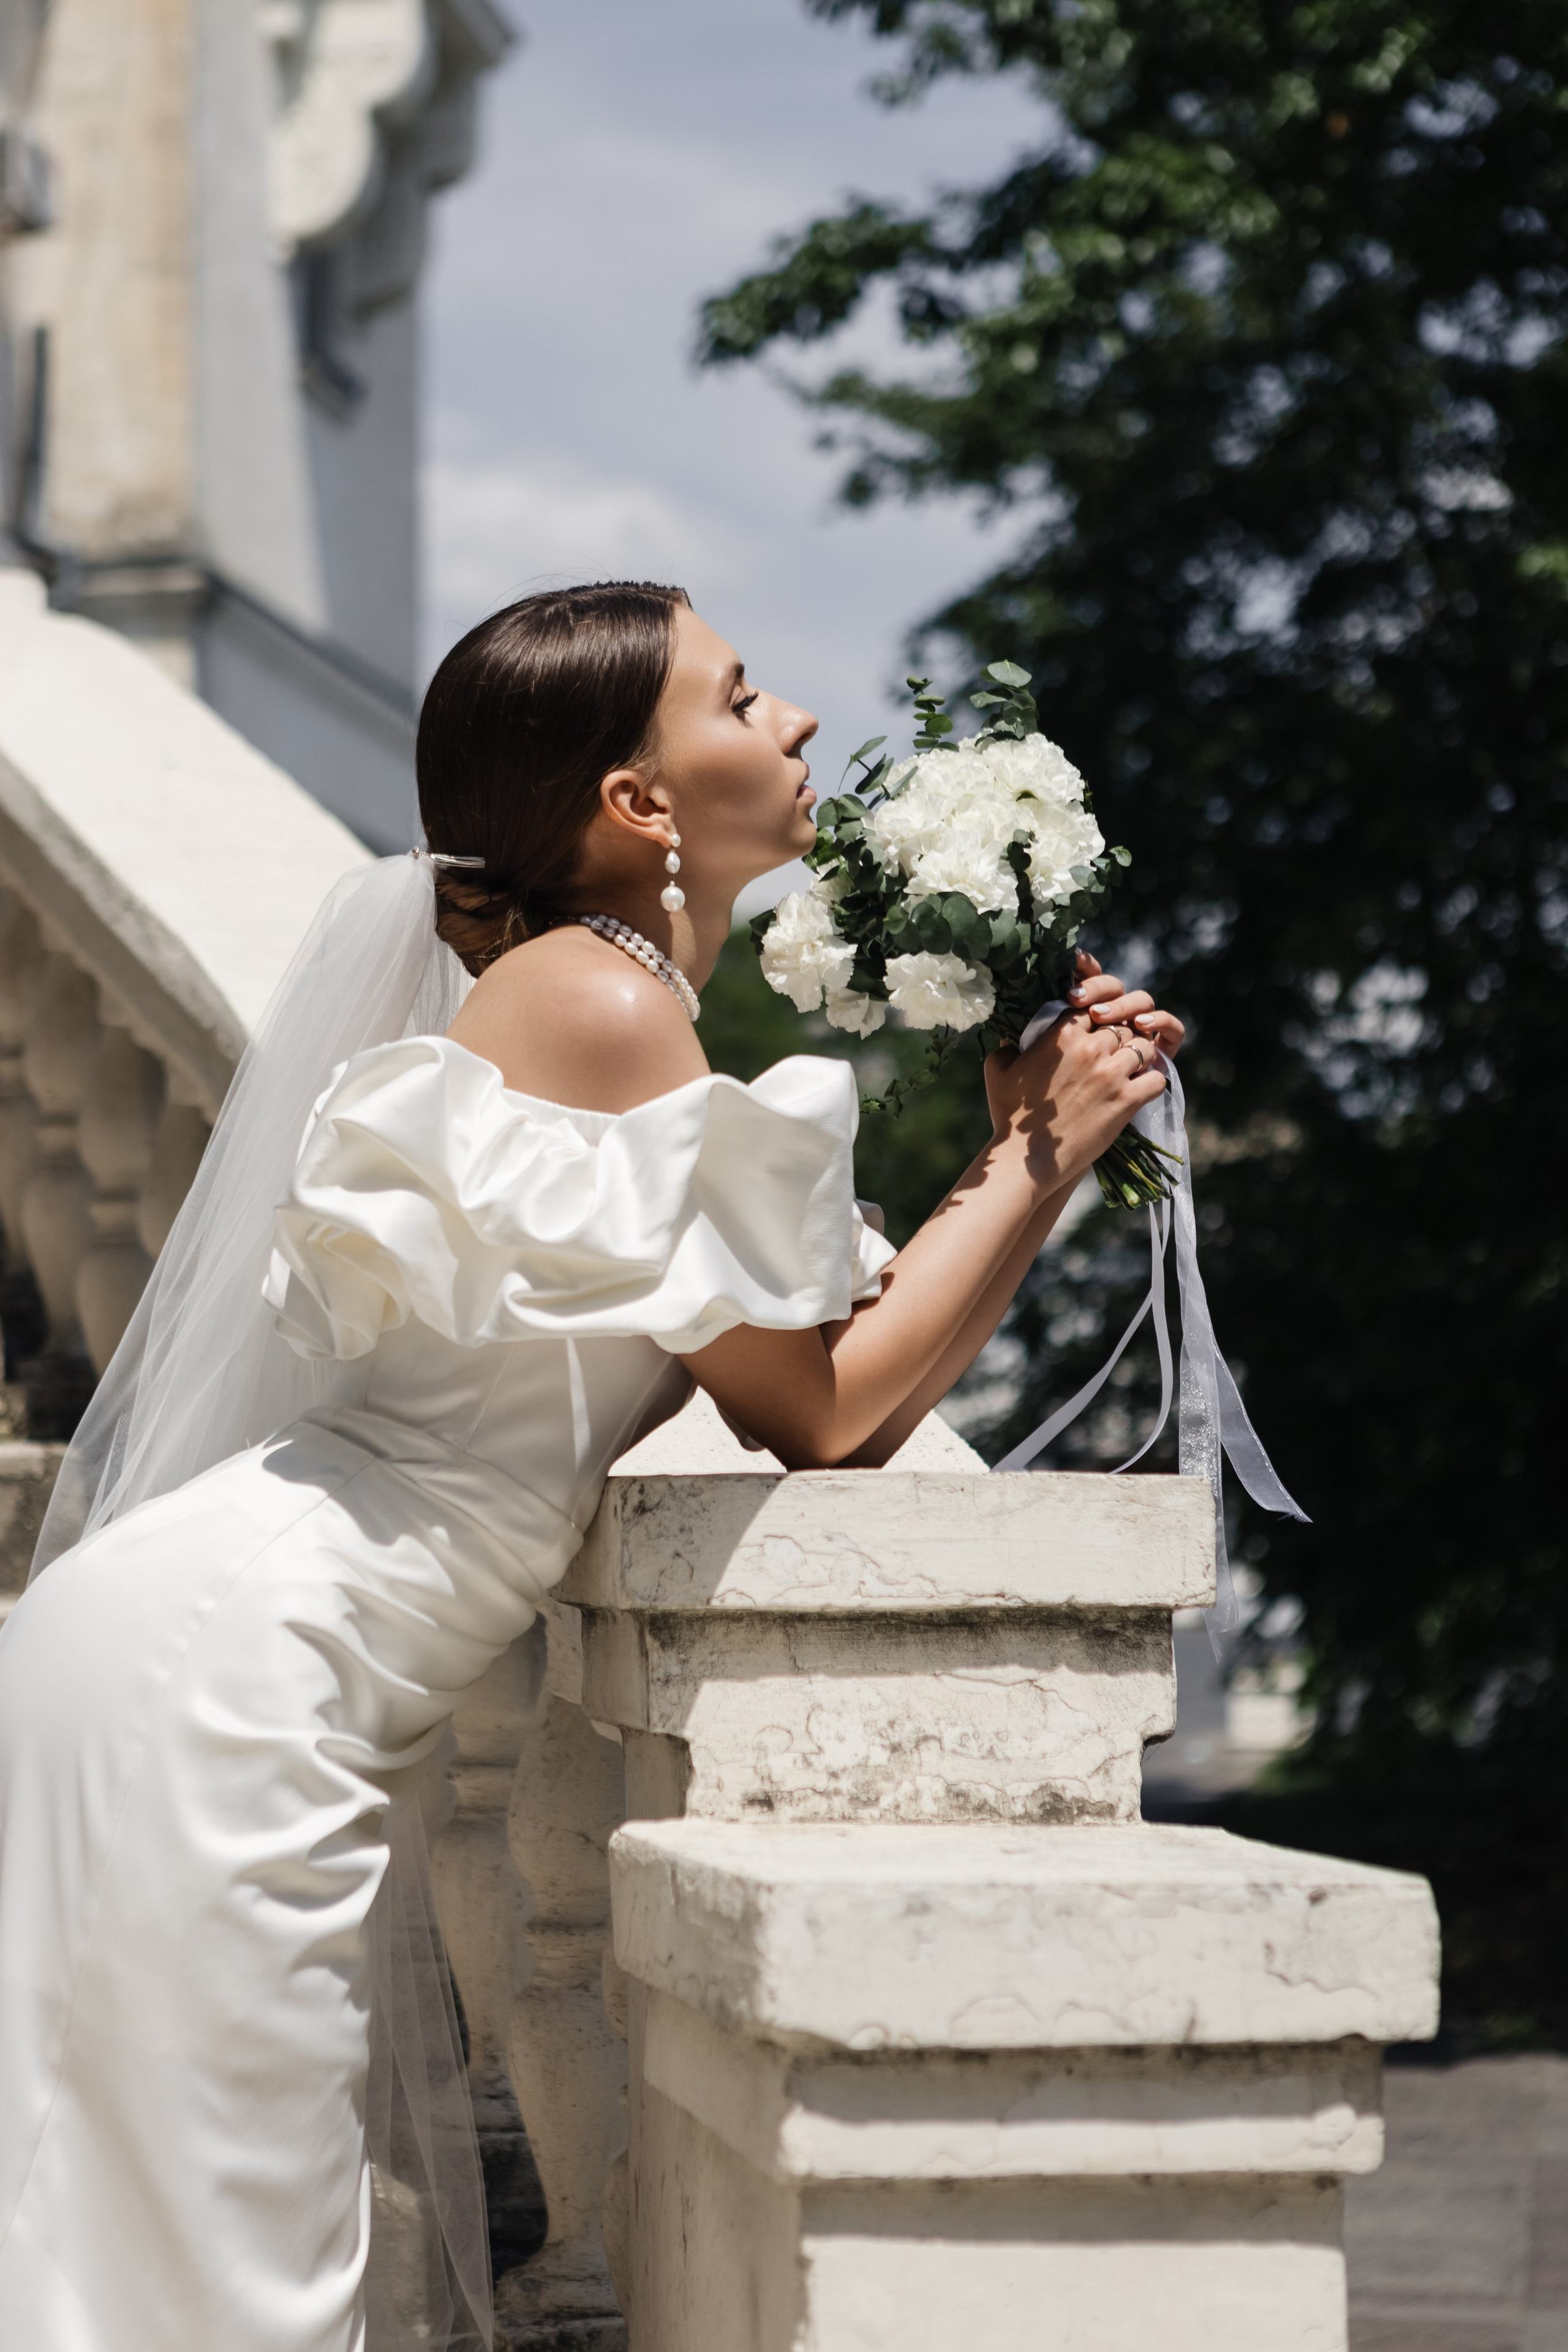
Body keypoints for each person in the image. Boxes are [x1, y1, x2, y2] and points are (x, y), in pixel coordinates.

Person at [0, 581, 1182, 2351]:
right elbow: (823, 1413)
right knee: (217, 2272)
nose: (793, 724)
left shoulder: (592, 1000)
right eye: (743, 694)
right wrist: (1038, 1155)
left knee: (146, 2249)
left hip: (201, 1649)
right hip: (233, 1689)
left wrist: (1018, 1153)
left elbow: (774, 1369)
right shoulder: (610, 1012)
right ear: (639, 803)